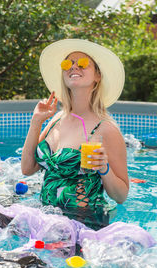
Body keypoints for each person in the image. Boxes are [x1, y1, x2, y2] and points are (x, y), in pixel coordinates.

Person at [21, 39, 129, 230]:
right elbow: (27, 169)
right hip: (47, 223)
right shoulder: (55, 119)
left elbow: (121, 196)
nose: (73, 67)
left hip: (84, 226)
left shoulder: (105, 129)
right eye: (67, 63)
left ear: (97, 76)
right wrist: (36, 122)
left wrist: (104, 169)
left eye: (82, 63)